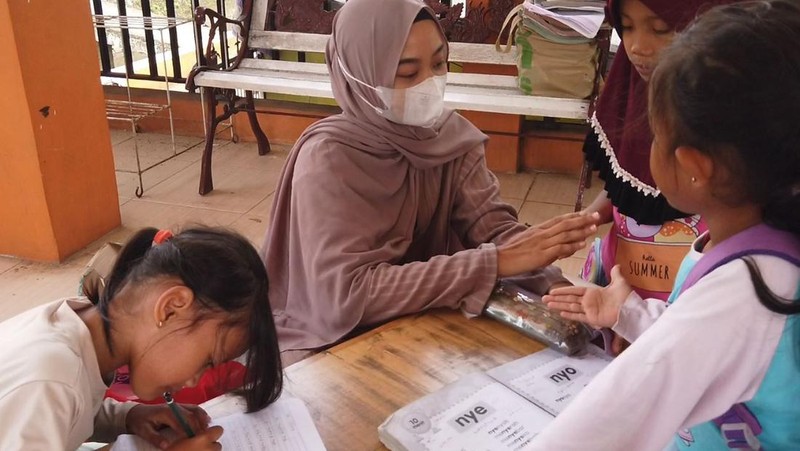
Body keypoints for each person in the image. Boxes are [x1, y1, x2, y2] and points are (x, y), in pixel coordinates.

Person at [261, 0, 599, 362]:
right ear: (359, 75)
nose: (429, 84)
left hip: (423, 319)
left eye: (439, 65)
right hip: (328, 333)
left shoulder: (449, 138)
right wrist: (494, 263)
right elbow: (347, 296)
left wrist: (555, 286)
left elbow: (496, 230)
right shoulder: (329, 159)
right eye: (407, 73)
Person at [538, 1, 800, 448]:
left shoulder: (751, 285)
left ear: (693, 165)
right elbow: (706, 340)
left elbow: (609, 418)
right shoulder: (756, 242)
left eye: (657, 134)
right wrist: (628, 313)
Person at [0, 227, 283, 450]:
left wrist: (127, 416)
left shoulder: (82, 331)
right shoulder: (50, 377)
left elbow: (68, 412)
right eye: (207, 361)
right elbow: (55, 398)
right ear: (171, 308)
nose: (194, 381)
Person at [580, 0, 735, 304]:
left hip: (688, 298)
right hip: (624, 287)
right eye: (626, 27)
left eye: (661, 28)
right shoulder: (630, 89)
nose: (638, 47)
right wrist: (589, 217)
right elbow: (626, 183)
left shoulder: (734, 130)